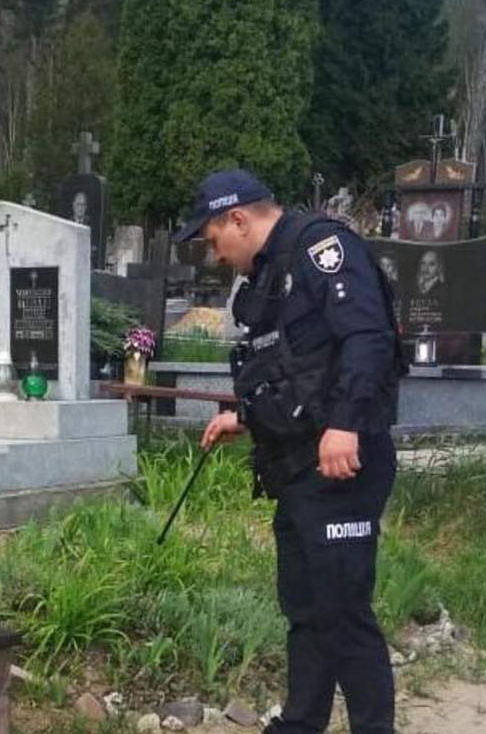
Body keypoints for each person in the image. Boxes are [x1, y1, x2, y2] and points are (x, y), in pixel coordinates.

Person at [174, 170, 404, 734]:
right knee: (306, 608)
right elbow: (298, 370)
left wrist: (345, 424)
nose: (215, 255)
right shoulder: (272, 274)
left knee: (344, 612)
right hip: (300, 468)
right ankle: (301, 723)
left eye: (213, 240)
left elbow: (368, 337)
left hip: (344, 464)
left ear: (238, 219)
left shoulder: (322, 249)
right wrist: (246, 416)